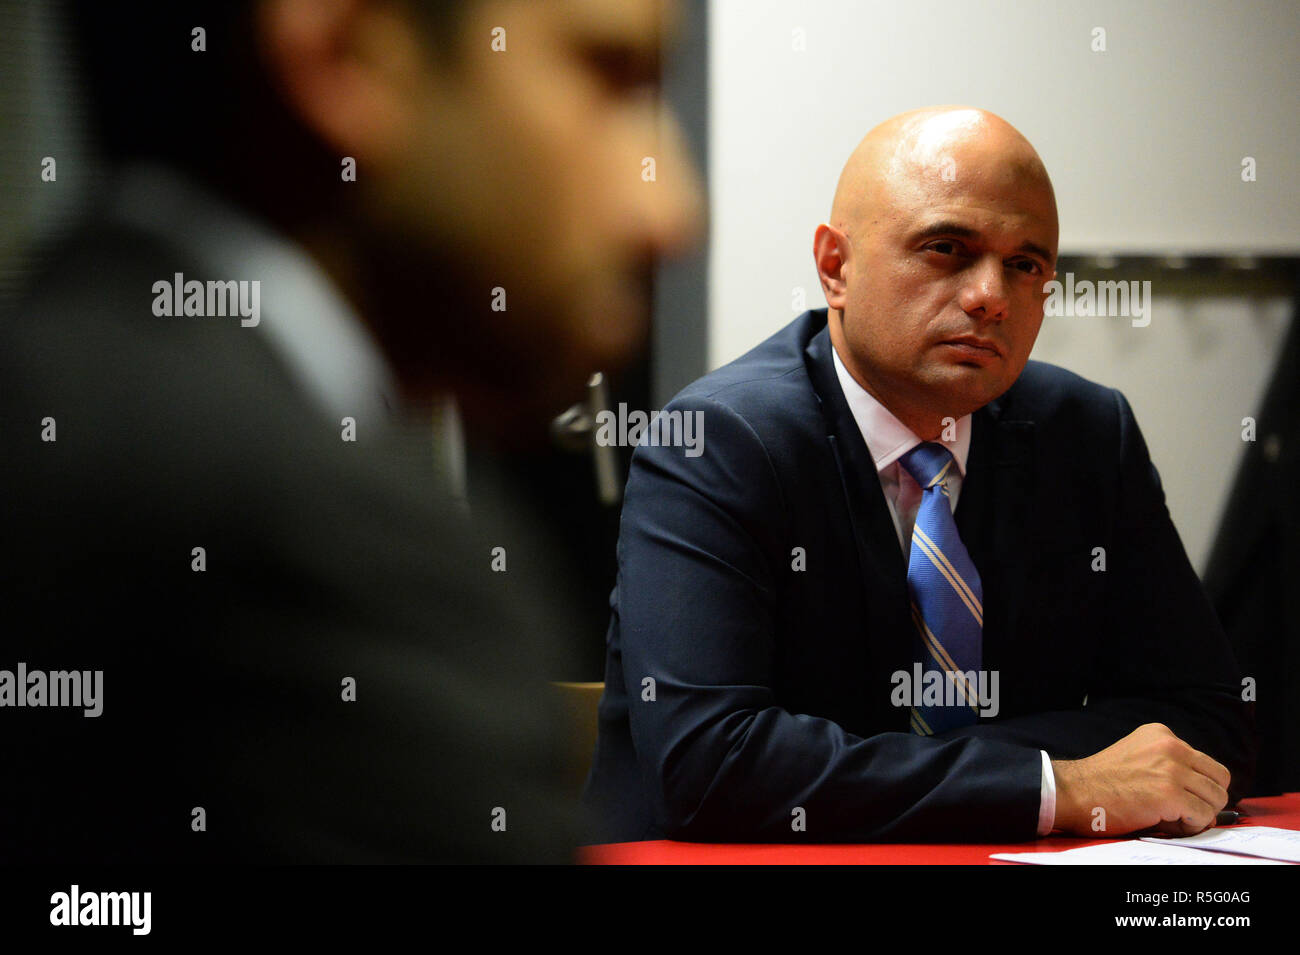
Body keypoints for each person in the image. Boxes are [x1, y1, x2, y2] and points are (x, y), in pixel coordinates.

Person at [0, 0, 700, 862]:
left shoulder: (71, 376)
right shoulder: (329, 541)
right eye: (610, 77)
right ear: (347, 55)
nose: (671, 209)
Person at [584, 106, 1255, 844]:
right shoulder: (718, 442)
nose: (990, 295)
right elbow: (712, 764)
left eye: (1026, 264)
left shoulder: (1089, 433)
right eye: (947, 248)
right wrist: (1055, 783)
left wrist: (884, 766)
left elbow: (1206, 716)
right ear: (836, 267)